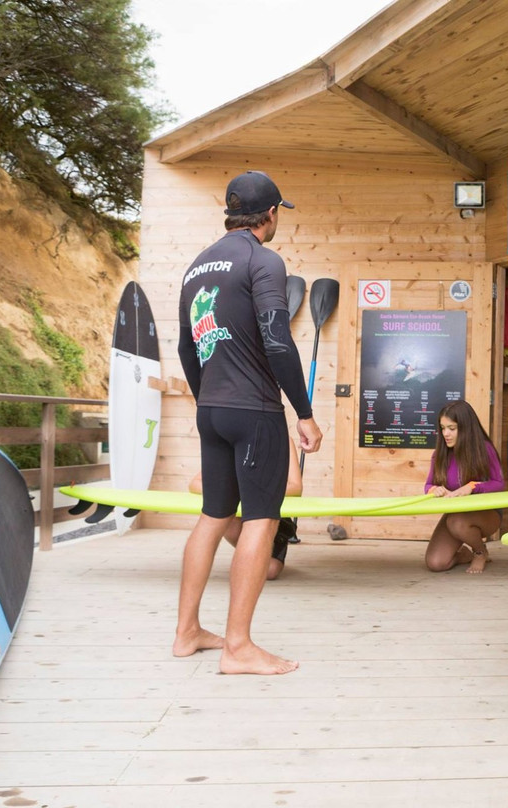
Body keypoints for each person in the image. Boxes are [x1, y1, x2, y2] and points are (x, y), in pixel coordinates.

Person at [174, 170, 322, 676]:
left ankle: (187, 632)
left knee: (213, 516)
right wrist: (303, 412)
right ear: (272, 214)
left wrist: (207, 400)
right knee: (261, 518)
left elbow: (185, 346)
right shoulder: (264, 260)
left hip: (211, 408)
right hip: (255, 410)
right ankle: (238, 647)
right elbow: (278, 341)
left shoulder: (197, 267)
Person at [188, 438, 302, 581]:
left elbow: (296, 487)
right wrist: (230, 491)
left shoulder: (282, 440)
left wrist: (255, 492)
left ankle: (256, 556)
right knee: (222, 513)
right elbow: (195, 483)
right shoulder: (231, 439)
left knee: (270, 571)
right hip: (240, 513)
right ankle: (249, 556)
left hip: (270, 513)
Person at [424, 400, 505, 574]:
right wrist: (434, 490)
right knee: (436, 563)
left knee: (456, 522)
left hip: (487, 513)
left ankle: (480, 552)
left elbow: (499, 484)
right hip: (456, 514)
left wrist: (472, 487)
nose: (446, 433)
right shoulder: (440, 453)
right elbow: (428, 484)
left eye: (452, 428)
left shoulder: (485, 449)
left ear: (466, 428)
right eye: (443, 428)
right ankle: (464, 555)